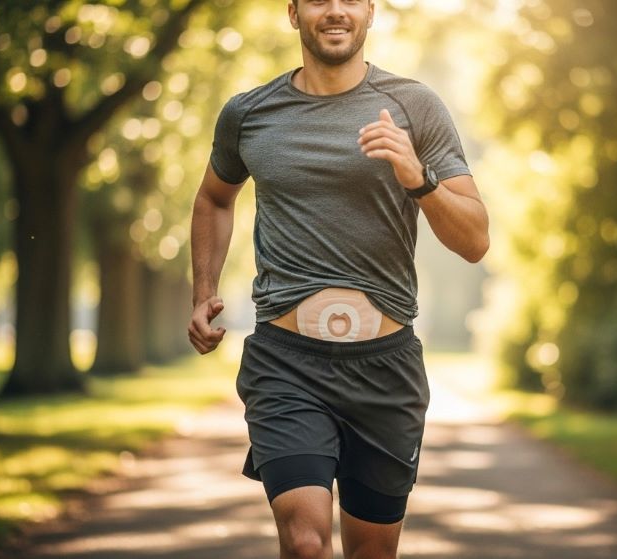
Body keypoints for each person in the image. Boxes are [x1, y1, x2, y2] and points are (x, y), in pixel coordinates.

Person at [187, 0, 488, 557]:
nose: (335, 11)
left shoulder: (414, 106)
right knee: (305, 542)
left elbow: (475, 241)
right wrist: (204, 289)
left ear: (370, 11)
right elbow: (214, 197)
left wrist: (417, 177)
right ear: (293, 12)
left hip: (386, 368)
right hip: (286, 364)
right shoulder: (249, 113)